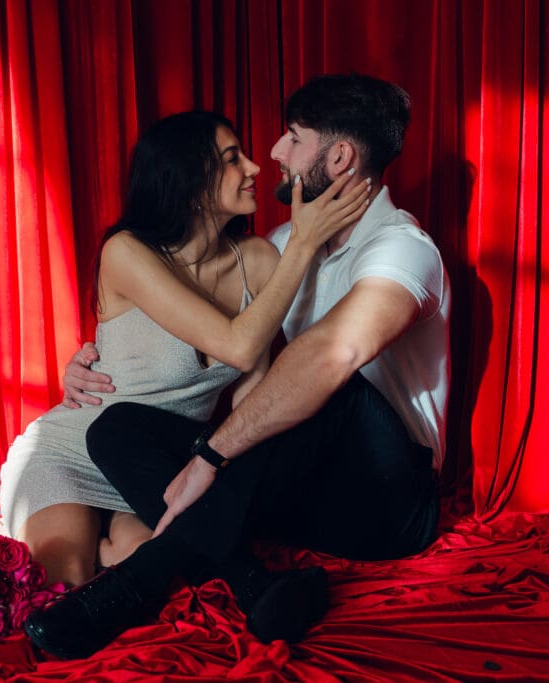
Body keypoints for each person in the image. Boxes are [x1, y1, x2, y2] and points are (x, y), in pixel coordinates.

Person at [24, 74, 450, 658]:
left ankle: (134, 584)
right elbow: (222, 351)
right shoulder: (278, 244)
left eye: (292, 138)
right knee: (115, 427)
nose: (271, 153)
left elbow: (330, 357)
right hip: (299, 493)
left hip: (385, 501)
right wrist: (90, 358)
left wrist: (210, 455)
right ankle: (255, 583)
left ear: (341, 156)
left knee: (329, 385)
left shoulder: (402, 250)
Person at [0, 110, 370, 589]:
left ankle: (109, 541)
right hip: (71, 453)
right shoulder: (127, 252)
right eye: (234, 159)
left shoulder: (257, 260)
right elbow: (237, 346)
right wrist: (304, 241)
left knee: (158, 569)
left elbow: (252, 393)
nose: (255, 168)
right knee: (64, 581)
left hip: (159, 467)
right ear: (190, 181)